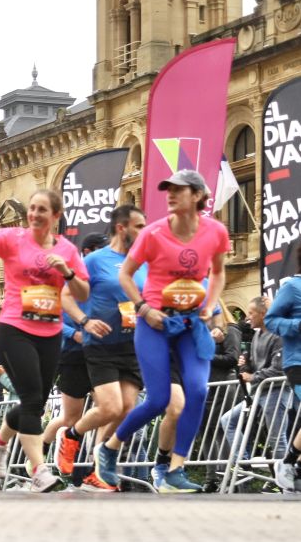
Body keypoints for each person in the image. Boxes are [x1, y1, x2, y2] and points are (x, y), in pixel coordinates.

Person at [95, 169, 229, 493]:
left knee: (197, 391)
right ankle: (110, 447)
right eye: (168, 189)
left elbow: (218, 273)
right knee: (158, 400)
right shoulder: (153, 233)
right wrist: (143, 308)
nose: (170, 194)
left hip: (190, 323)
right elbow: (126, 275)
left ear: (197, 196)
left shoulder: (215, 231)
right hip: (155, 323)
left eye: (178, 190)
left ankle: (175, 470)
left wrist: (210, 305)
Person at [0, 180, 90, 492]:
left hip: (50, 333)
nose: (34, 214)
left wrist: (67, 272)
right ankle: (38, 470)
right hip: (14, 328)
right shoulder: (13, 238)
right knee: (31, 399)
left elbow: (83, 292)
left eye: (41, 210)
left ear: (55, 215)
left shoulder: (66, 250)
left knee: (36, 404)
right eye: (31, 208)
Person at [51, 204, 148, 492]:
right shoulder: (94, 261)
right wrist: (85, 322)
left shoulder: (142, 263)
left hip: (132, 344)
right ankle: (71, 435)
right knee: (110, 407)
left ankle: (99, 471)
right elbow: (66, 297)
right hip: (101, 346)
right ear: (121, 227)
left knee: (127, 409)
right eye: (139, 226)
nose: (144, 232)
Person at [218, 297, 288, 470]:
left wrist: (252, 376)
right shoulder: (257, 334)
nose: (247, 317)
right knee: (228, 420)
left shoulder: (278, 335)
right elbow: (249, 364)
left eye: (251, 313)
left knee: (277, 439)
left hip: (275, 392)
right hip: (258, 393)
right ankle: (244, 464)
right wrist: (245, 365)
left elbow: (279, 369)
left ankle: (288, 478)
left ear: (263, 314)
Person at [264, 274, 301, 493]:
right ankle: (287, 462)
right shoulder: (292, 286)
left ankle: (296, 470)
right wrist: (298, 325)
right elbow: (270, 320)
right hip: (297, 362)